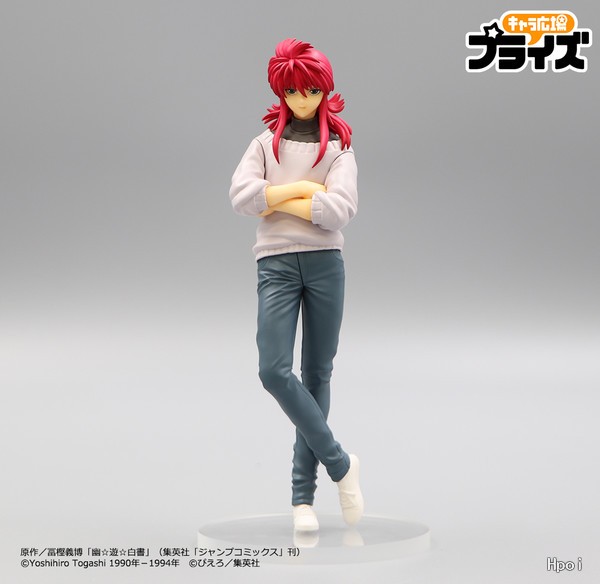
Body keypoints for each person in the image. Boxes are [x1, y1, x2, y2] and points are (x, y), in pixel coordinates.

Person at [229, 38, 363, 532]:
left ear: (324, 89)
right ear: (280, 92)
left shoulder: (340, 150)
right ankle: (341, 464)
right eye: (291, 91)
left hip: (326, 264)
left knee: (317, 375)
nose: (302, 99)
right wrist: (304, 189)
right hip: (277, 265)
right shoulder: (264, 145)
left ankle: (302, 499)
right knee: (273, 370)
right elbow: (239, 196)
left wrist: (274, 198)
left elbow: (340, 210)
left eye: (310, 90)